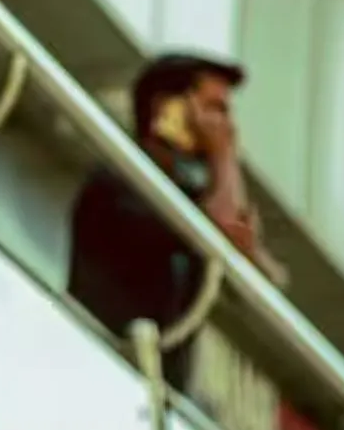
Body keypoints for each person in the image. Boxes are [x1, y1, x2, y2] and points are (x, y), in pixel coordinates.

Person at [67, 53, 287, 391]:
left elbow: (257, 270)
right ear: (167, 108)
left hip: (156, 389)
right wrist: (223, 156)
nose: (225, 128)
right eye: (213, 110)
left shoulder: (189, 197)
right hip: (99, 368)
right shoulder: (121, 181)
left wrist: (252, 251)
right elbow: (220, 226)